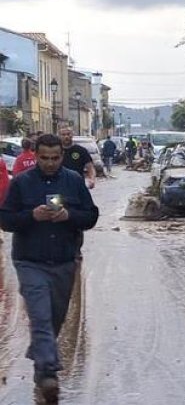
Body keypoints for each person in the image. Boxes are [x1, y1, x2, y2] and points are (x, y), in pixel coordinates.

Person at [0, 133, 99, 402]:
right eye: (44, 158)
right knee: (41, 316)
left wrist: (69, 216)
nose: (50, 163)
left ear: (62, 156)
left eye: (55, 158)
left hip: (65, 260)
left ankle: (41, 355)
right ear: (36, 155)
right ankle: (47, 375)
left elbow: (91, 216)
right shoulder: (21, 183)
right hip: (30, 261)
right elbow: (5, 219)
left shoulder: (74, 181)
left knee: (54, 318)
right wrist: (31, 216)